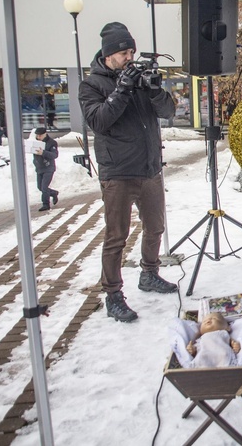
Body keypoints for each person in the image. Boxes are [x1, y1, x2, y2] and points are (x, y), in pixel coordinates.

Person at [78, 22, 177, 323]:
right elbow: (100, 121)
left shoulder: (140, 80)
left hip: (149, 169)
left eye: (131, 51)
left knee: (156, 227)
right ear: (108, 55)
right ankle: (113, 294)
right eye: (123, 52)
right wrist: (122, 89)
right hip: (118, 173)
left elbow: (169, 112)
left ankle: (149, 273)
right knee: (116, 237)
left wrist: (156, 90)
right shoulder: (91, 85)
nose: (129, 57)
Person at [32, 127, 59, 212]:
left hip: (48, 167)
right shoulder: (35, 142)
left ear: (45, 134)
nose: (38, 137)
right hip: (39, 167)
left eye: (40, 135)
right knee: (40, 187)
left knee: (44, 187)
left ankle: (45, 204)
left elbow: (54, 155)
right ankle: (54, 193)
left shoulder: (52, 143)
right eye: (37, 135)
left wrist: (43, 152)